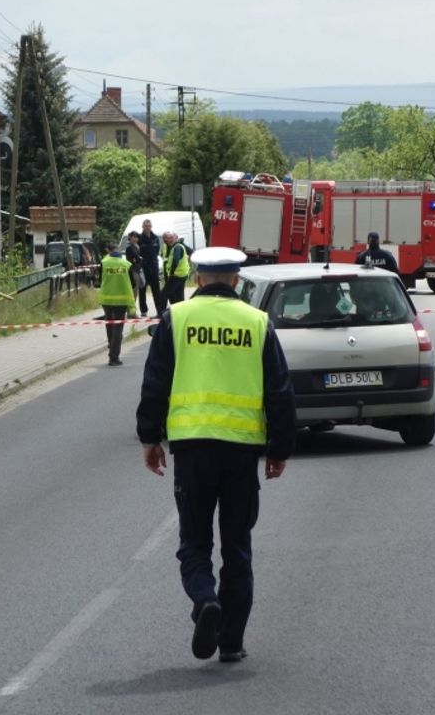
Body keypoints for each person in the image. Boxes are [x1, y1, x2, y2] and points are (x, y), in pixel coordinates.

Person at [136, 246, 296, 664]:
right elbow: (280, 391)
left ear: (199, 278)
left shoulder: (177, 319)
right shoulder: (258, 322)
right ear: (237, 279)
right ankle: (230, 641)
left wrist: (149, 439)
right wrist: (279, 448)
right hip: (242, 452)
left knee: (194, 543)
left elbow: (156, 383)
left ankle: (205, 600)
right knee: (237, 546)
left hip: (192, 449)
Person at [98, 242, 134, 366]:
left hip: (106, 299)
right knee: (118, 328)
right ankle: (114, 357)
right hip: (122, 300)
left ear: (108, 251)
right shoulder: (126, 264)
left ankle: (111, 345)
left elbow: (99, 280)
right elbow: (133, 283)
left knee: (109, 324)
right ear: (118, 251)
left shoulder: (104, 262)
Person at [139, 219, 165, 316]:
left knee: (156, 290)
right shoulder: (140, 238)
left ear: (151, 227)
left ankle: (159, 310)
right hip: (144, 267)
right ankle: (143, 310)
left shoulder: (155, 238)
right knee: (142, 290)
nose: (147, 228)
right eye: (145, 226)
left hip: (153, 267)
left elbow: (157, 250)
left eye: (149, 226)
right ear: (142, 227)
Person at [161, 231, 191, 305]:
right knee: (179, 296)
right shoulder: (167, 246)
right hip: (179, 274)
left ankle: (161, 314)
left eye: (170, 238)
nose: (168, 239)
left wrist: (171, 272)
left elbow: (175, 261)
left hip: (176, 274)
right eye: (164, 238)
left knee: (163, 294)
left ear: (176, 238)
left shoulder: (177, 247)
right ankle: (179, 312)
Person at [124, 230, 143, 305]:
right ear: (130, 238)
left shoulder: (138, 247)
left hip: (137, 270)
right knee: (133, 290)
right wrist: (138, 259)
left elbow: (139, 259)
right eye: (133, 237)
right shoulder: (129, 247)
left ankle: (132, 307)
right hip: (132, 270)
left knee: (136, 290)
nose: (135, 239)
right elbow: (137, 258)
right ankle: (131, 308)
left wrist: (139, 259)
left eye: (137, 237)